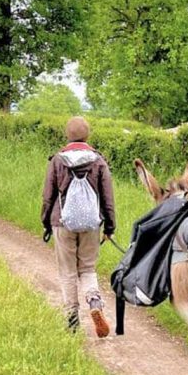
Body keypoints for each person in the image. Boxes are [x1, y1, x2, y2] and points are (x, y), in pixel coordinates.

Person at [41, 116, 116, 337]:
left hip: (62, 222)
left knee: (67, 271)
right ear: (88, 135)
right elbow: (107, 198)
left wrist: (46, 222)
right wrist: (110, 227)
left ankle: (72, 317)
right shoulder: (98, 161)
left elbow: (48, 196)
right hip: (91, 224)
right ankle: (94, 302)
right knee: (87, 269)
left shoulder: (57, 160)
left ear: (67, 135)